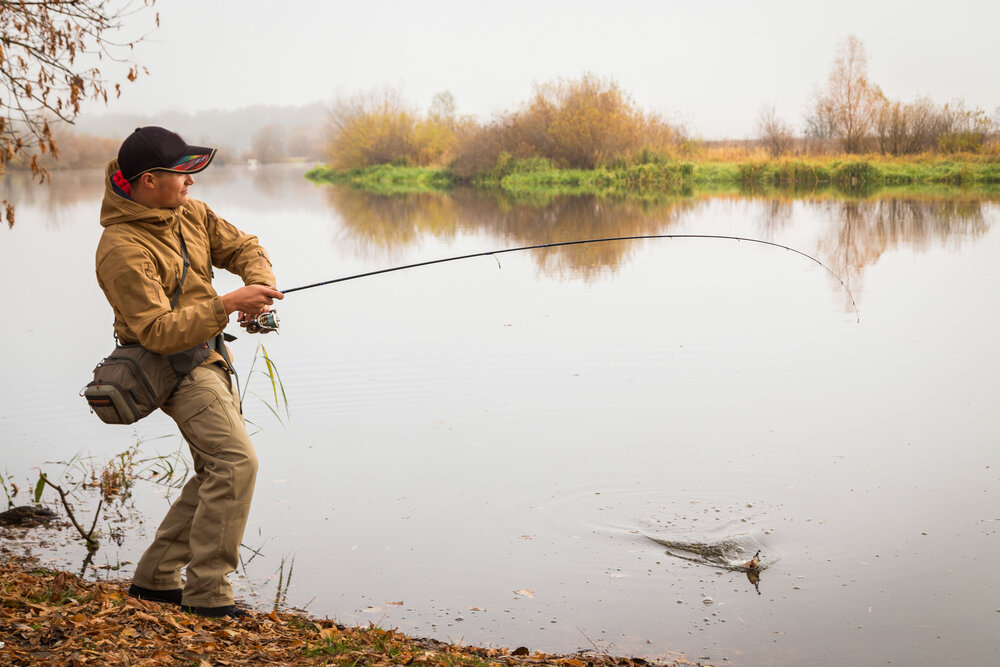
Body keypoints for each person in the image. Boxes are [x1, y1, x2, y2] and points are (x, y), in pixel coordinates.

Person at [95, 126, 283, 618]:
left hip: (209, 355)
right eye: (182, 174)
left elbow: (243, 247)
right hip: (169, 365)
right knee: (237, 463)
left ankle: (155, 579)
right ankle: (208, 595)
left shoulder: (189, 213)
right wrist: (225, 304)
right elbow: (156, 331)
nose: (192, 183)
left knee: (214, 469)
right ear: (148, 180)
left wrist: (258, 288)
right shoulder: (120, 247)